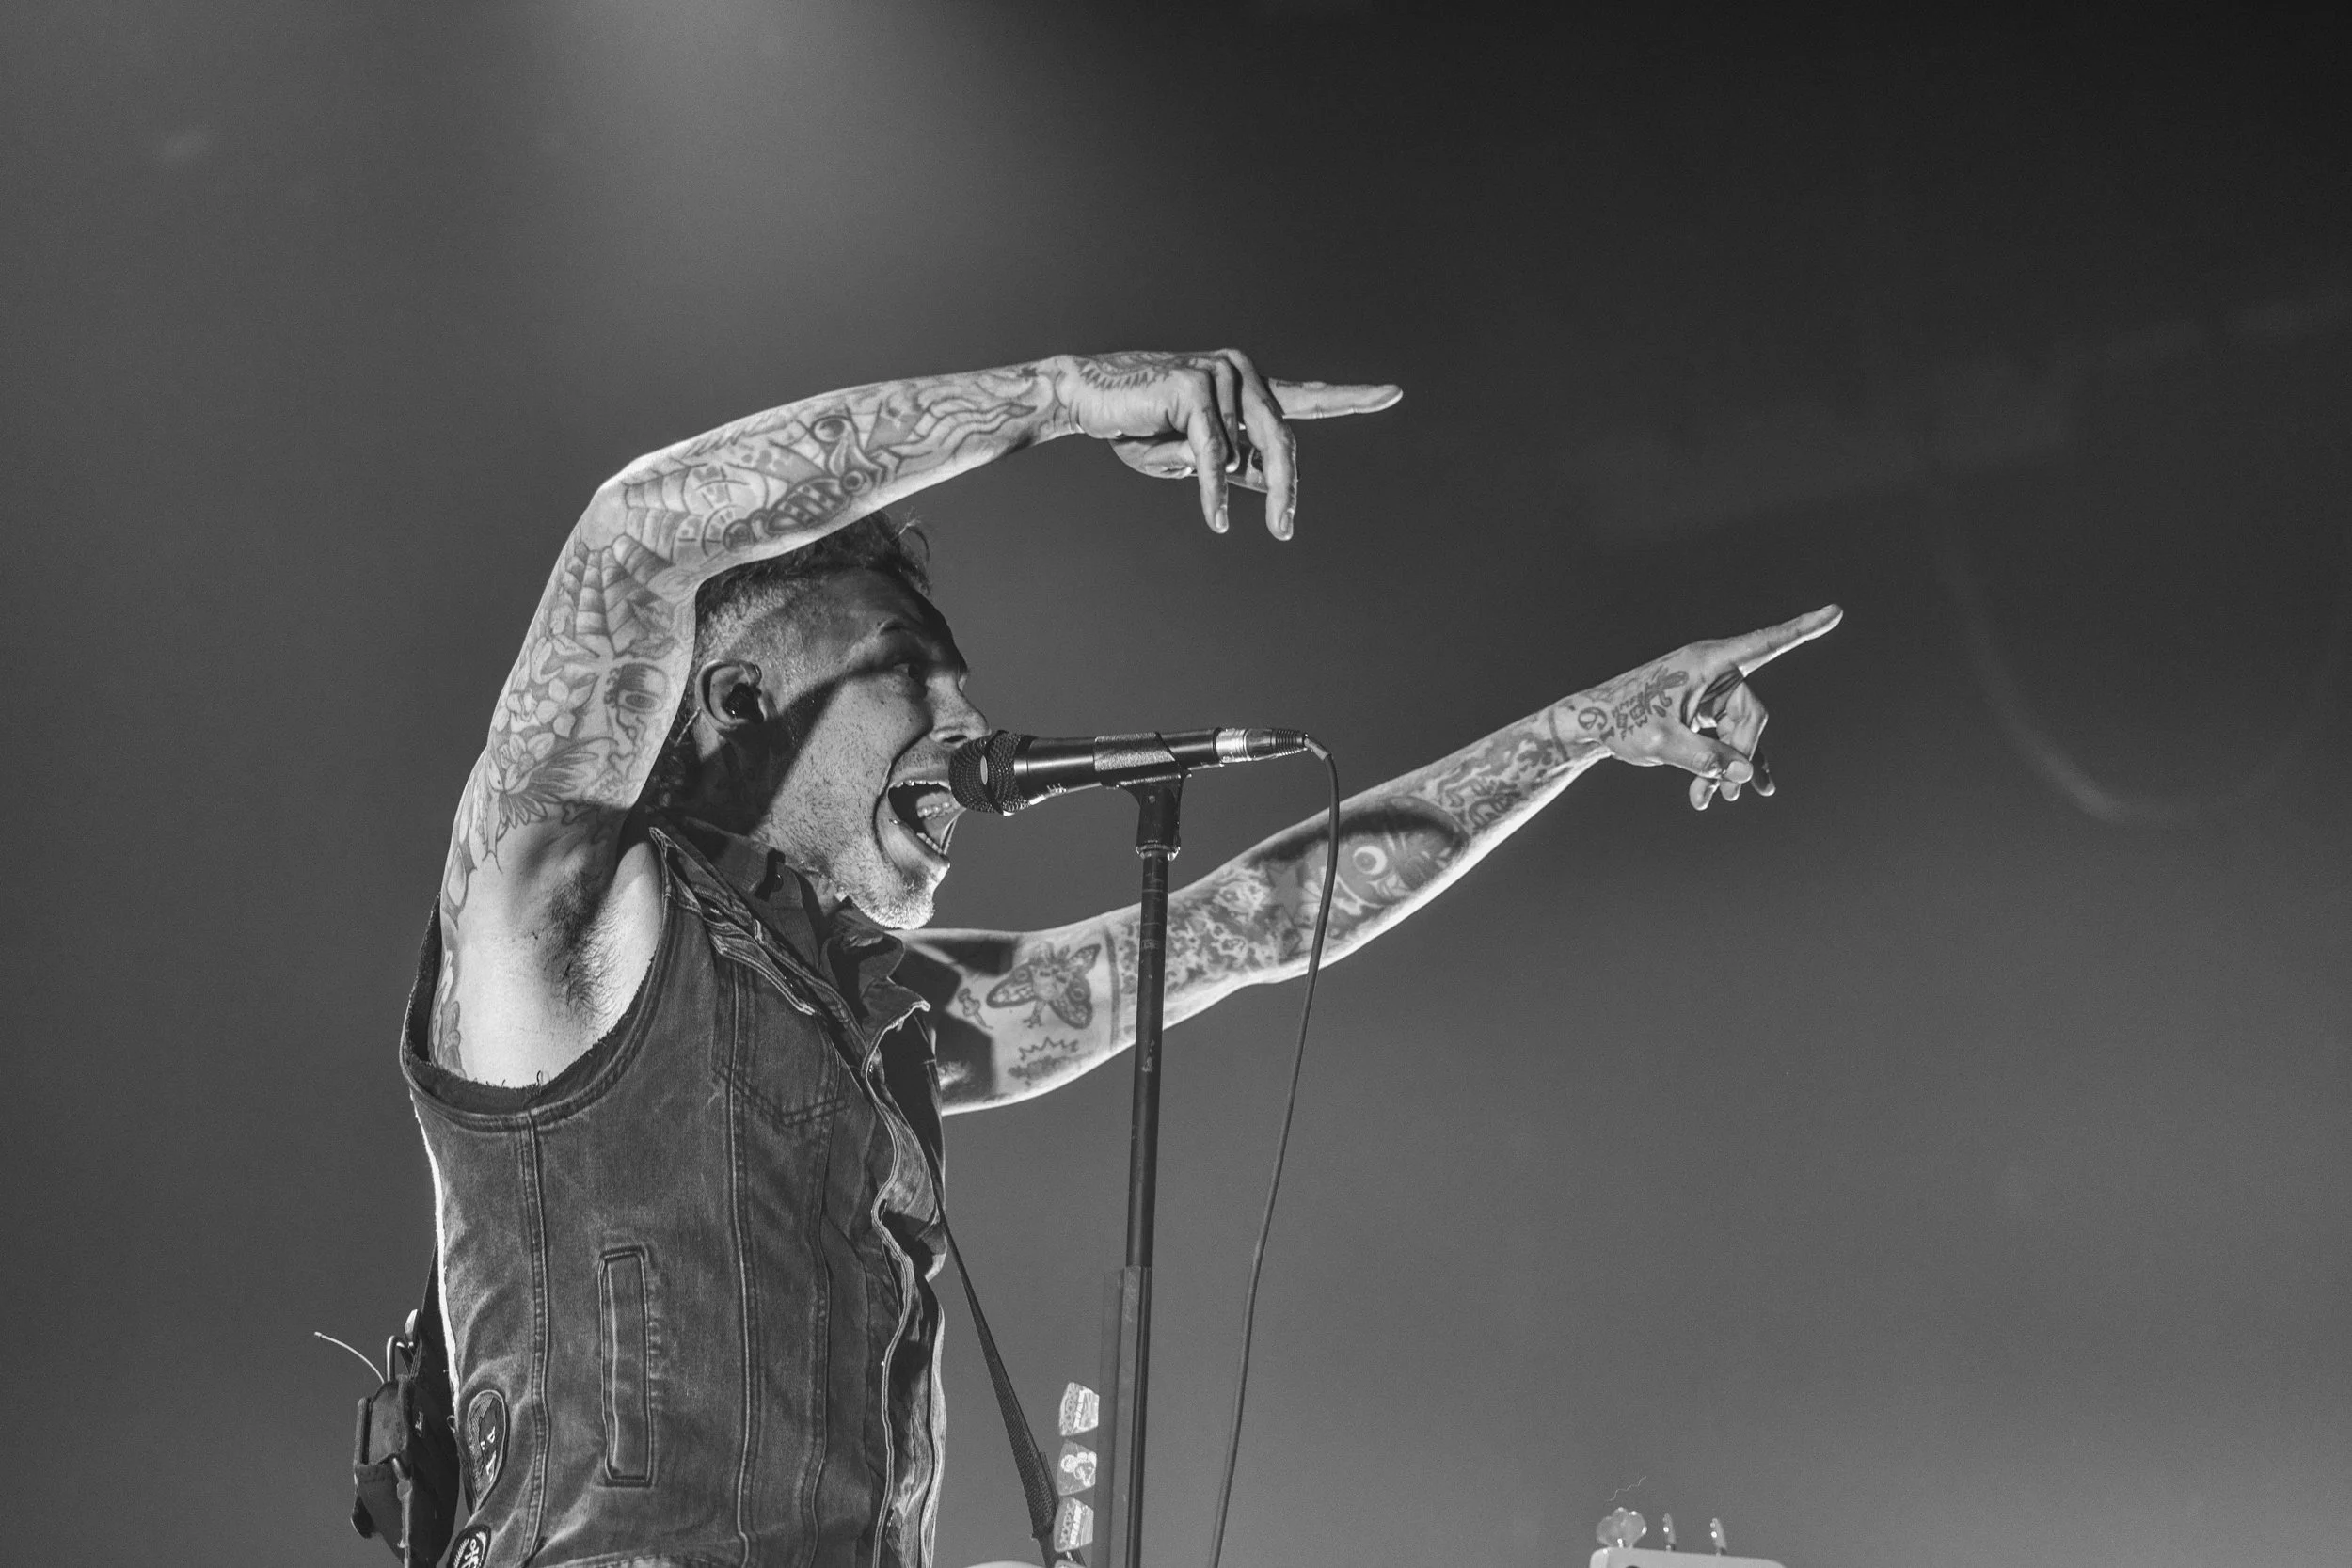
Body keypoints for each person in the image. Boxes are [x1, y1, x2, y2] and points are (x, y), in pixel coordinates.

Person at [401, 349, 1838, 1568]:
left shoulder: (877, 1016)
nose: (969, 713)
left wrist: (1591, 728)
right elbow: (639, 535)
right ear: (735, 695)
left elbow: (1258, 923)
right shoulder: (562, 912)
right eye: (916, 665)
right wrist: (1068, 397)